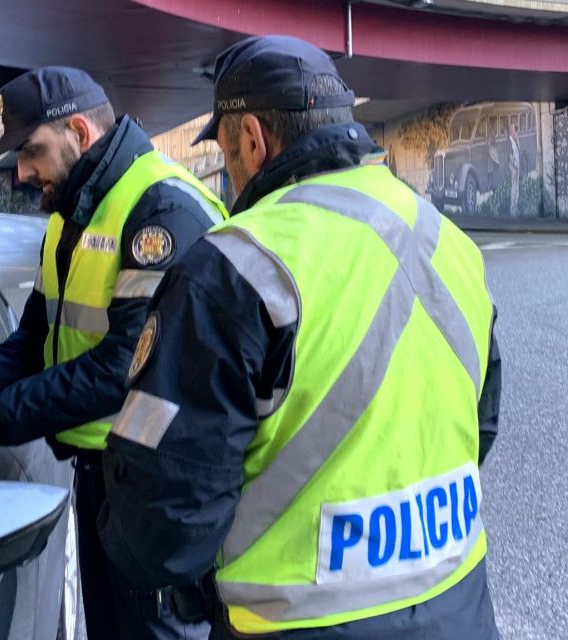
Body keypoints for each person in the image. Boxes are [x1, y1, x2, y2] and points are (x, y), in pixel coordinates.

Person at [98, 35, 503, 639]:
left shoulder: (234, 264)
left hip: (293, 623)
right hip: (460, 604)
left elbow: (164, 520)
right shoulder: (448, 240)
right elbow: (480, 424)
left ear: (252, 139)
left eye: (227, 151)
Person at [0, 66, 226, 639]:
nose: (21, 172)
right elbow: (33, 341)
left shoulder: (161, 210)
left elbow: (123, 368)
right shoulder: (71, 216)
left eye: (31, 151)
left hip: (166, 488)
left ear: (79, 132)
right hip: (104, 477)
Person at [508, 122, 520, 217]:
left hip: (517, 167)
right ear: (512, 131)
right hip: (513, 168)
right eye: (516, 131)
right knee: (514, 188)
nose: (517, 133)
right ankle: (512, 210)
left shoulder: (515, 141)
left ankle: (516, 208)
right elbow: (510, 156)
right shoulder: (510, 141)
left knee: (517, 188)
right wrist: (514, 167)